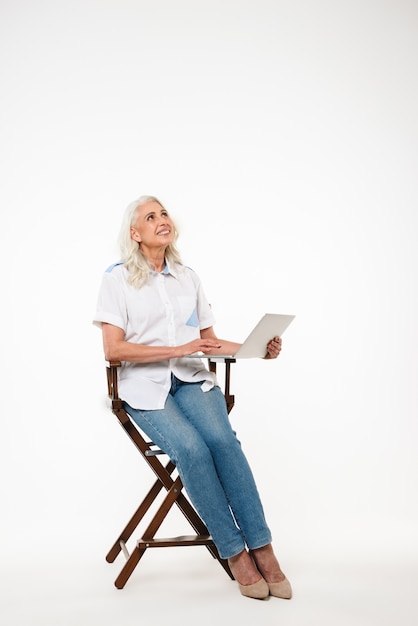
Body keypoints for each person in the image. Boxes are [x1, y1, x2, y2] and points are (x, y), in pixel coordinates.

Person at [93, 195, 292, 601]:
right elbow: (113, 350)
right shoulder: (116, 280)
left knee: (222, 442)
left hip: (189, 378)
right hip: (143, 386)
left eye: (164, 212)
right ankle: (235, 553)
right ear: (135, 234)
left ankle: (263, 548)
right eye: (150, 217)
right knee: (192, 450)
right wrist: (172, 351)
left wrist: (256, 349)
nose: (161, 219)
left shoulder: (188, 277)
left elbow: (208, 343)